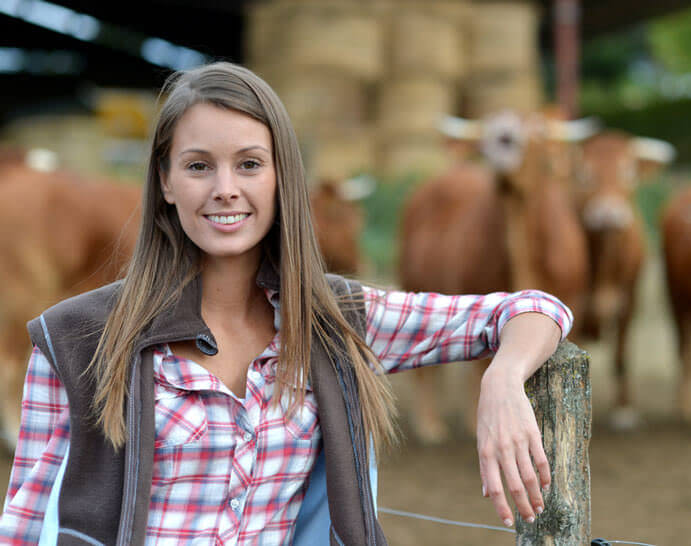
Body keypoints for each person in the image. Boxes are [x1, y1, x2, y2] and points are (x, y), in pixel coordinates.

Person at [0, 62, 573, 545]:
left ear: (281, 178)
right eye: (199, 165)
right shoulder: (74, 339)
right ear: (166, 181)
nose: (226, 187)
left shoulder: (334, 321)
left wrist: (503, 380)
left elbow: (535, 308)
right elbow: (23, 530)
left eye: (250, 164)